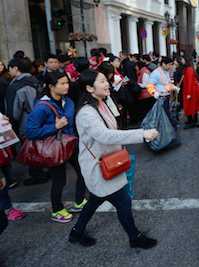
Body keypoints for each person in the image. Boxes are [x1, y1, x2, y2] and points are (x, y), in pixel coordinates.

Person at [69, 69, 159, 248]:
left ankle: (77, 232)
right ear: (89, 87)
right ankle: (135, 238)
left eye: (106, 80)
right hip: (99, 167)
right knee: (123, 202)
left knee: (95, 198)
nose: (107, 83)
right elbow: (106, 136)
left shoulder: (102, 103)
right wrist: (142, 134)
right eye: (102, 81)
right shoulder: (87, 113)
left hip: (109, 163)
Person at [24, 71, 87, 223]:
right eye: (63, 84)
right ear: (51, 86)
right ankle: (57, 210)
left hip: (71, 144)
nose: (67, 86)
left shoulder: (68, 101)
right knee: (59, 181)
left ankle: (79, 202)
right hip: (54, 148)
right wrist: (54, 126)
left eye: (67, 83)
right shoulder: (42, 107)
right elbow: (30, 132)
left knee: (84, 172)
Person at [5, 58, 45, 186]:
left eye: (10, 69)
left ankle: (38, 175)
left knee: (30, 149)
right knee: (40, 146)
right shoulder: (36, 81)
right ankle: (45, 170)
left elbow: (14, 113)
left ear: (15, 69)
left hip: (27, 123)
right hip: (42, 119)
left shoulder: (15, 87)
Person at [146, 56, 179, 127]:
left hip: (166, 98)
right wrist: (154, 93)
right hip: (160, 99)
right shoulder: (156, 73)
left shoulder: (166, 72)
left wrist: (174, 88)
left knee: (165, 117)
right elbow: (149, 85)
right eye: (169, 65)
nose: (171, 66)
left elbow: (167, 84)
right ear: (164, 64)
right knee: (165, 117)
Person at [180, 56, 199, 129]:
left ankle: (191, 122)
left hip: (190, 90)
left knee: (189, 106)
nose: (181, 60)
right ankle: (194, 121)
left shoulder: (189, 69)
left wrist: (189, 93)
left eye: (182, 59)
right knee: (193, 106)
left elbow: (190, 82)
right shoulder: (188, 68)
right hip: (191, 90)